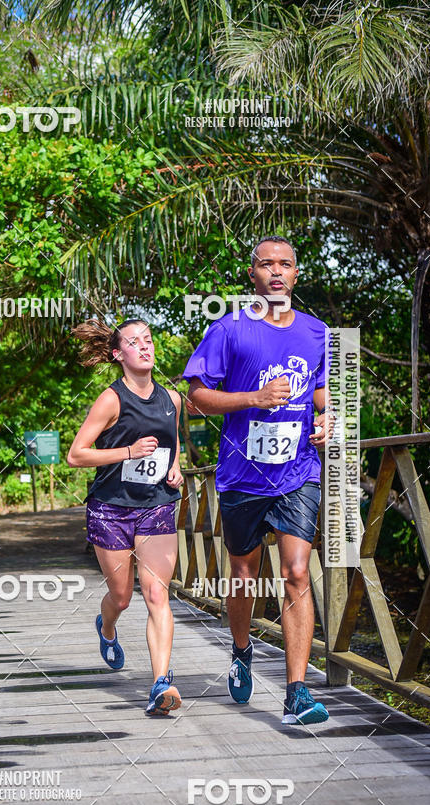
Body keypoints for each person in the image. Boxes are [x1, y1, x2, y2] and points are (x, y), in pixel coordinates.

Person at [183, 236, 335, 725]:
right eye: (266, 264)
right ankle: (242, 648)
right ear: (252, 275)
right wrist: (254, 398)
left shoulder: (316, 331)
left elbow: (322, 394)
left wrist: (329, 418)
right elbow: (198, 398)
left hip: (298, 473)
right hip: (241, 476)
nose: (276, 272)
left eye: (285, 265)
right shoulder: (229, 328)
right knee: (244, 574)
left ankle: (296, 693)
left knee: (295, 573)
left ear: (296, 274)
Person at [67, 318, 184, 715]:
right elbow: (76, 454)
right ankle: (107, 626)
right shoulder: (111, 400)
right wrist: (128, 453)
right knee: (122, 596)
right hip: (111, 508)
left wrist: (176, 466)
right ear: (119, 355)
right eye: (135, 343)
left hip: (156, 504)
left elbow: (172, 441)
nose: (145, 347)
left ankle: (160, 683)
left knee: (155, 593)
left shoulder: (173, 399)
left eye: (148, 340)